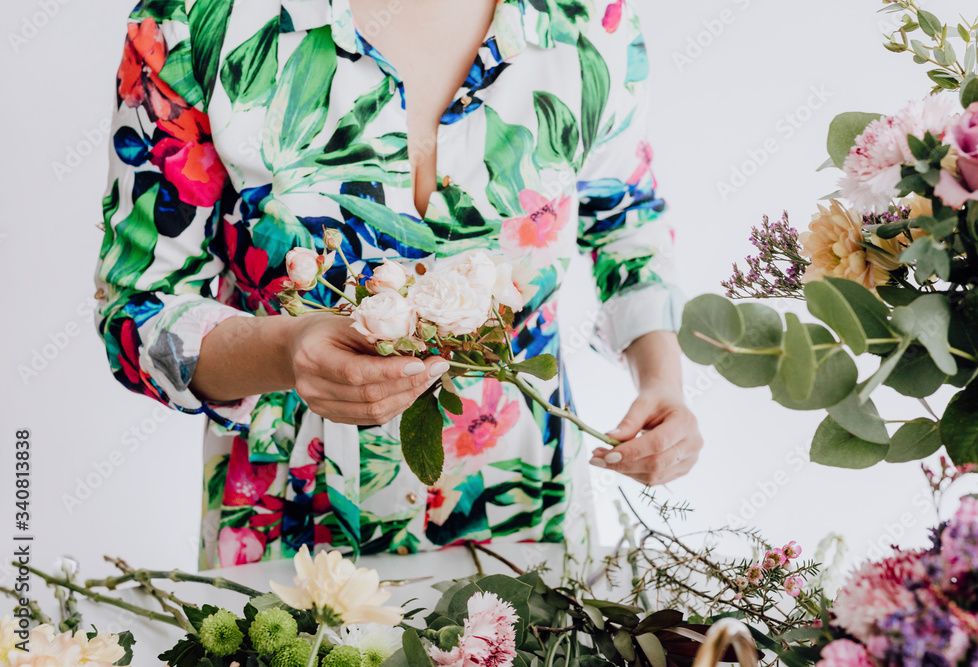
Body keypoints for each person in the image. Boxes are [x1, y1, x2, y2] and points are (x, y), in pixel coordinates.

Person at [94, 0, 702, 570]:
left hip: (525, 511)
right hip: (286, 522)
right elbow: (137, 308)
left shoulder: (587, 21)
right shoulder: (196, 21)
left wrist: (662, 382)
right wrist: (287, 352)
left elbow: (627, 222)